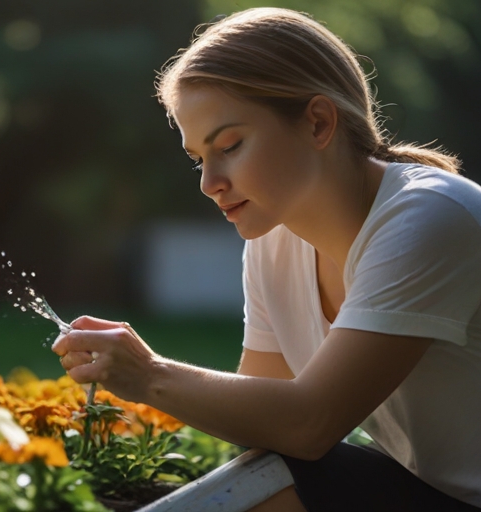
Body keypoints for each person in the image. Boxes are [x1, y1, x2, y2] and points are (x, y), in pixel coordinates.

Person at [52, 7, 481, 512]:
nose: (209, 183)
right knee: (264, 475)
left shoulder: (430, 216)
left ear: (318, 122)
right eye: (198, 158)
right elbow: (264, 428)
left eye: (229, 146)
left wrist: (149, 375)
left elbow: (308, 425)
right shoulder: (274, 241)